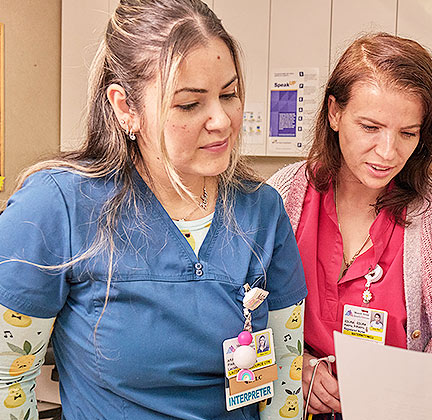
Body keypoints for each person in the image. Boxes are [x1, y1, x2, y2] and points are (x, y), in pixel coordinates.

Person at [0, 1, 306, 418]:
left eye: (229, 94)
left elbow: (285, 378)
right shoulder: (56, 208)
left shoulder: (262, 211)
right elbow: (7, 383)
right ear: (126, 108)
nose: (221, 120)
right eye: (189, 104)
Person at [268, 32, 432, 417]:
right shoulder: (280, 197)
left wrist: (406, 388)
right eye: (370, 127)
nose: (388, 152)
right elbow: (243, 316)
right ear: (334, 113)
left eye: (407, 133)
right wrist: (293, 365)